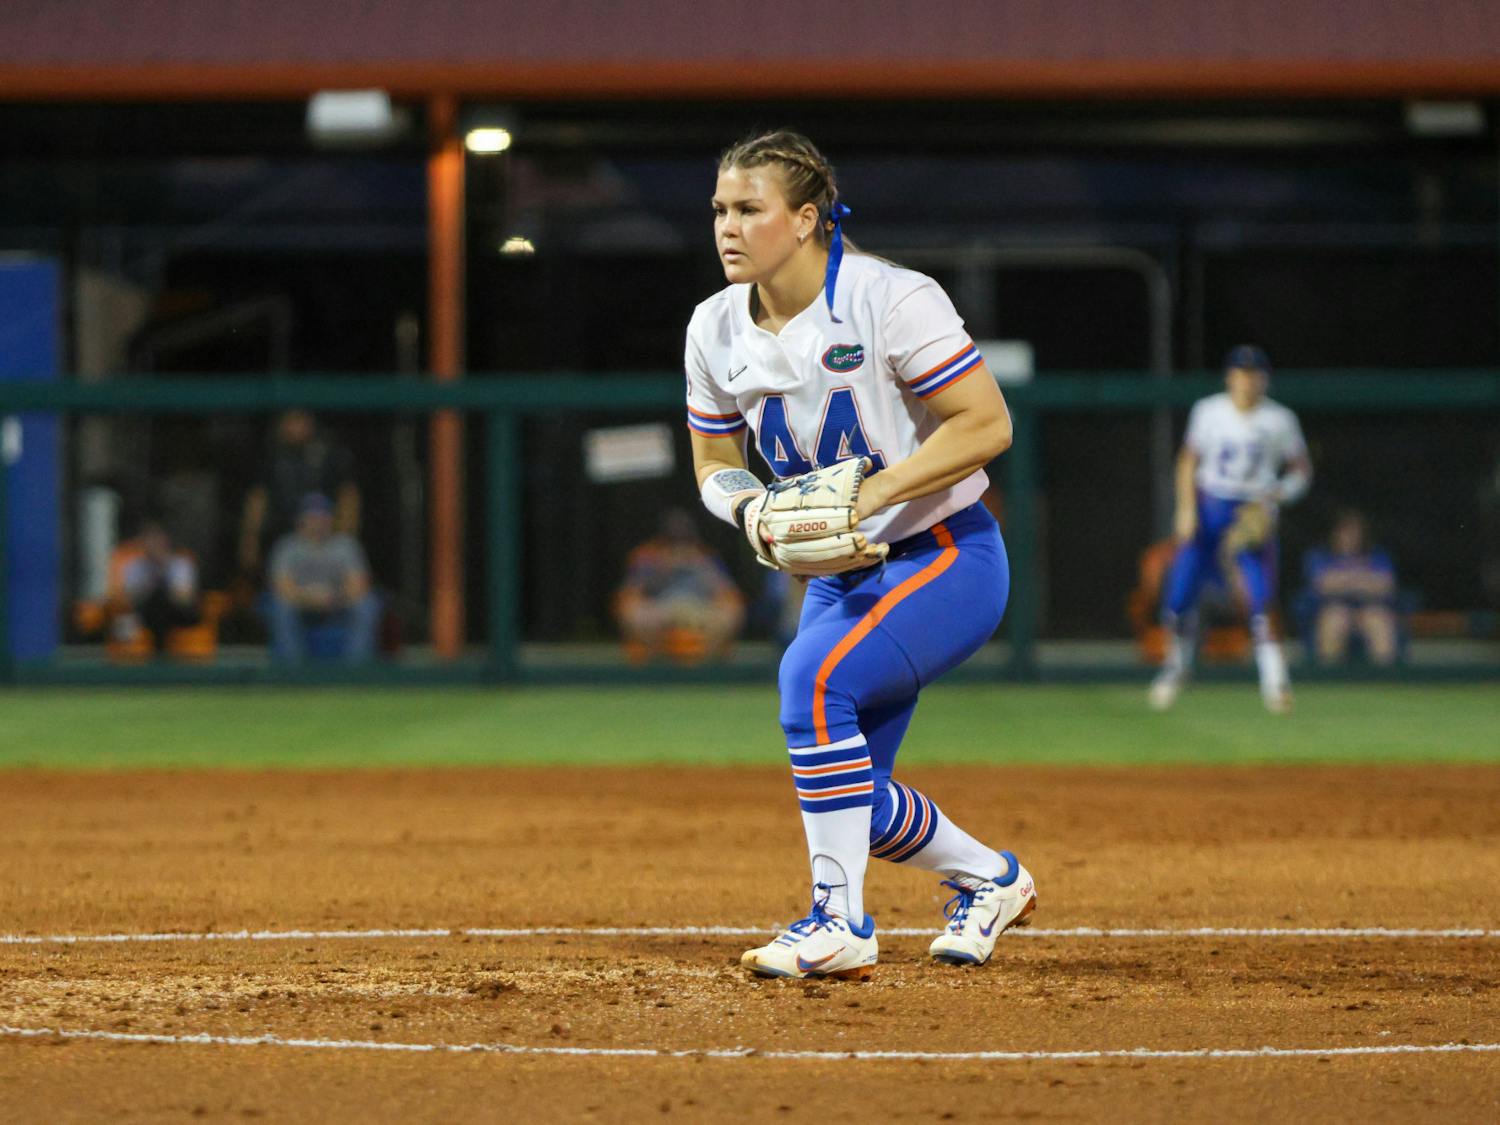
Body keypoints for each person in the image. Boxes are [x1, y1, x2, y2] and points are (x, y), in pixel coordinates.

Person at [687, 130, 1036, 981]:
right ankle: (991, 879)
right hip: (838, 574)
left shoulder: (890, 299)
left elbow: (987, 424)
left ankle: (838, 920)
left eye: (749, 209)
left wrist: (876, 492)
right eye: (719, 210)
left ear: (806, 219)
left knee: (812, 683)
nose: (727, 227)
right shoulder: (713, 325)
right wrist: (752, 508)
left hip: (944, 554)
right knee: (854, 799)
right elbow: (714, 464)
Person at [1149, 346, 1312, 714]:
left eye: (1254, 374)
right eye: (1241, 372)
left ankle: (1275, 683)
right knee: (1177, 597)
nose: (1248, 380)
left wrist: (1275, 497)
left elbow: (1301, 470)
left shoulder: (1279, 419)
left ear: (1264, 378)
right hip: (1210, 506)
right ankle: (1176, 668)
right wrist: (1187, 509)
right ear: (1230, 376)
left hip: (1250, 510)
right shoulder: (1209, 411)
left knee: (1260, 599)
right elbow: (1188, 460)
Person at [239, 409, 360, 581]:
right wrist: (250, 540)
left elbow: (348, 496)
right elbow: (257, 499)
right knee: (282, 597)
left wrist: (344, 535)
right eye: (290, 420)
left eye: (300, 420)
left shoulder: (331, 453)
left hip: (326, 539)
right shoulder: (272, 456)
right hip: (283, 539)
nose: (295, 427)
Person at [615, 509, 745, 663]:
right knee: (633, 611)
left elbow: (726, 589)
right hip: (661, 606)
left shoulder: (705, 555)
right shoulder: (647, 555)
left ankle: (706, 666)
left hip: (699, 606)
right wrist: (662, 567)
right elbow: (632, 590)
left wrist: (699, 566)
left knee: (730, 612)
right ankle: (654, 664)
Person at [267, 493, 380, 664]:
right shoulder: (288, 547)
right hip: (301, 607)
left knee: (367, 605)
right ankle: (292, 671)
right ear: (301, 521)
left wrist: (334, 596)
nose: (318, 523)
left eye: (323, 518)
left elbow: (358, 585)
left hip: (338, 605)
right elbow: (282, 587)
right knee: (281, 606)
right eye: (312, 518)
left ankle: (356, 670)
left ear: (331, 520)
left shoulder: (346, 545)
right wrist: (310, 597)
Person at [1303, 510, 1399, 666]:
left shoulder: (1377, 555)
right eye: (1345, 531)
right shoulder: (1319, 555)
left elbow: (1385, 585)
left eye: (1355, 531)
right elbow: (1322, 585)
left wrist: (1343, 580)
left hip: (1369, 608)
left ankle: (1385, 681)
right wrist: (1362, 579)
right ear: (1335, 533)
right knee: (1336, 617)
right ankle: (1329, 679)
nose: (1350, 536)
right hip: (1332, 609)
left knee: (1377, 619)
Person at [112, 519, 201, 650]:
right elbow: (129, 599)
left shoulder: (181, 564)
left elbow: (185, 599)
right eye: (149, 541)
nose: (152, 545)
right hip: (146, 613)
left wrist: (164, 572)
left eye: (156, 540)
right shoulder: (135, 566)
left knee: (162, 599)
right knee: (124, 622)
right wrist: (149, 583)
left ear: (165, 541)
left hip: (177, 614)